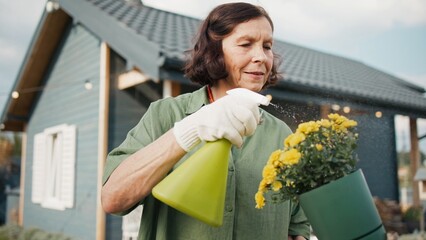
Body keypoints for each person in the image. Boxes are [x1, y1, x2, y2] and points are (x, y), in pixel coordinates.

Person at [101, 2, 310, 240]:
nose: (261, 57)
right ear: (214, 51)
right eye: (245, 44)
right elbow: (113, 199)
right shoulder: (166, 114)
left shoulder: (281, 135)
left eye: (267, 46)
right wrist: (187, 132)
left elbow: (296, 225)